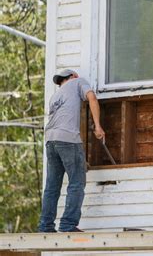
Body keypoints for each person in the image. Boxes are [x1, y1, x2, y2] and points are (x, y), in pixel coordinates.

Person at [38, 69, 105, 233]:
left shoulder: (56, 96)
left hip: (50, 140)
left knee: (52, 186)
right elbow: (92, 98)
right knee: (76, 182)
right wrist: (98, 126)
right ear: (73, 76)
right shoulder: (79, 82)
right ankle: (68, 225)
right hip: (68, 138)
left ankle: (45, 226)